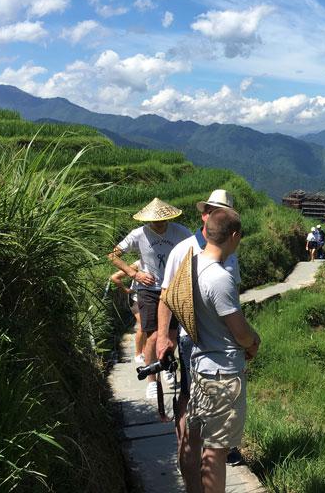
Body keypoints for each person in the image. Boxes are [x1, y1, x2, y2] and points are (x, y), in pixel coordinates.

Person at [159, 207, 260, 493]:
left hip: (199, 368)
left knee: (195, 439)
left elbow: (170, 298)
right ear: (234, 236)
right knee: (216, 451)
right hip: (223, 376)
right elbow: (240, 333)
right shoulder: (220, 277)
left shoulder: (191, 265)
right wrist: (255, 340)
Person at [108, 198, 191, 399]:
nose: (159, 223)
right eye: (154, 221)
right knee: (153, 336)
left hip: (173, 288)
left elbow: (196, 249)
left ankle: (168, 368)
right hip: (148, 289)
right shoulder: (138, 234)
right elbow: (113, 255)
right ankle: (152, 381)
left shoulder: (180, 232)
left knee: (172, 337)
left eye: (162, 220)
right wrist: (133, 273)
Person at [110, 260, 146, 364]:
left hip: (149, 300)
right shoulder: (138, 264)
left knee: (149, 327)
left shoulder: (157, 263)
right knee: (143, 325)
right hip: (136, 299)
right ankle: (138, 354)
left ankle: (145, 351)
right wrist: (126, 289)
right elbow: (114, 277)